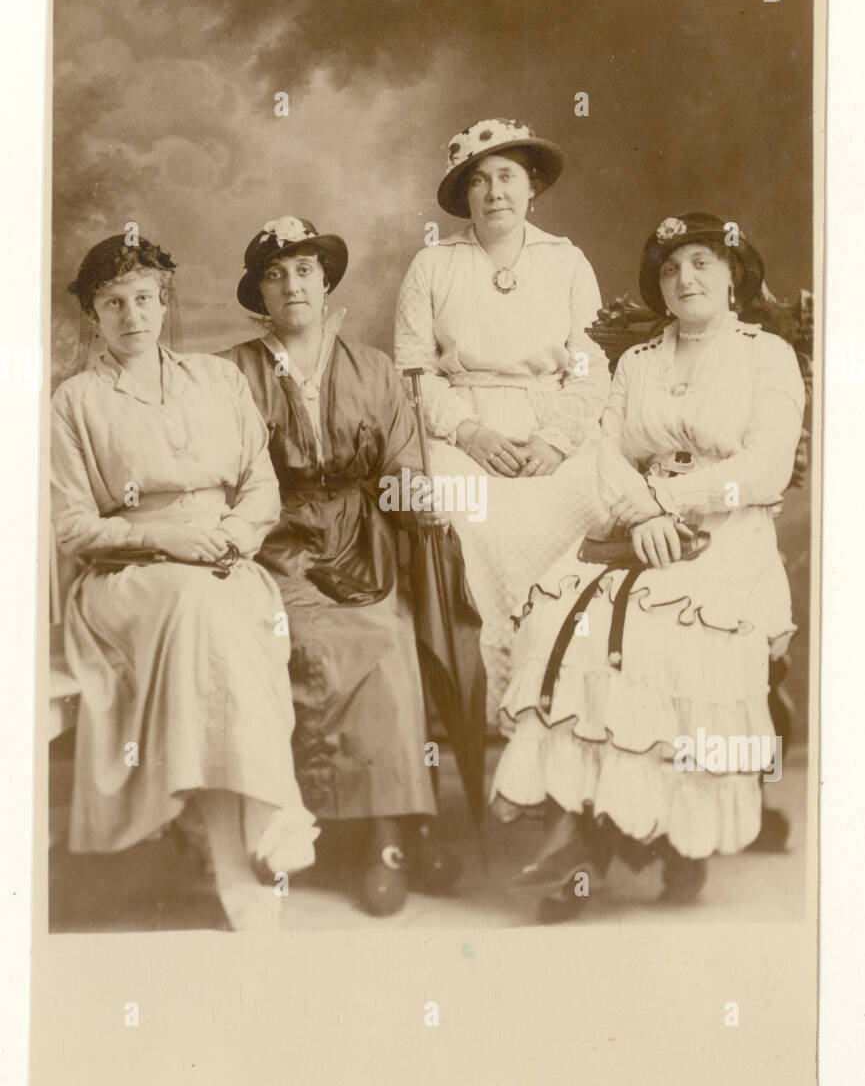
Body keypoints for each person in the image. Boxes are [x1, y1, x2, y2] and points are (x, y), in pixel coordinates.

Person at [490, 213, 806, 920]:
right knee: (556, 624)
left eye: (700, 263)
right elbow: (604, 450)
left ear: (733, 277)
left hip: (727, 530)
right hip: (636, 527)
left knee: (669, 640)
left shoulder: (766, 356)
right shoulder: (635, 363)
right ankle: (578, 834)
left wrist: (671, 500)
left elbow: (762, 468)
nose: (684, 279)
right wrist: (642, 513)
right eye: (668, 269)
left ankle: (677, 835)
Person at [52, 234, 319, 933]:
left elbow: (260, 489)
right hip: (129, 575)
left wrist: (228, 539)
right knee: (203, 611)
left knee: (218, 612)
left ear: (163, 302)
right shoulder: (76, 401)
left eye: (144, 299)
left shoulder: (216, 380)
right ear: (93, 315)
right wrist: (164, 538)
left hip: (223, 557)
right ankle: (249, 842)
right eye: (113, 304)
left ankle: (234, 832)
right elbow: (74, 526)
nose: (132, 316)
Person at [222, 215, 459, 916]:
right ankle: (315, 831)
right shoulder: (232, 372)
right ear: (259, 294)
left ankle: (392, 833)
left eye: (303, 270)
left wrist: (418, 504)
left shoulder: (375, 368)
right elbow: (225, 471)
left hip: (363, 540)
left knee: (388, 639)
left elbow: (401, 463)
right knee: (304, 642)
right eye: (275, 274)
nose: (291, 284)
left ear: (326, 282)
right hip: (279, 539)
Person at [394, 118, 610, 729]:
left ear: (531, 186)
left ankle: (572, 692)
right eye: (480, 181)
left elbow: (593, 370)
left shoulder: (566, 261)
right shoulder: (433, 265)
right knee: (480, 521)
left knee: (594, 504)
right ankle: (511, 700)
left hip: (552, 423)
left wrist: (555, 441)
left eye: (508, 177)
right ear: (465, 194)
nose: (495, 193)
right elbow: (414, 376)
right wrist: (471, 433)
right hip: (462, 427)